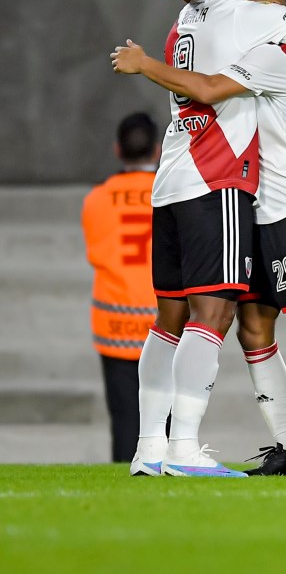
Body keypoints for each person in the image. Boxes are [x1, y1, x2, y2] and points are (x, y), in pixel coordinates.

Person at [112, 0, 286, 478]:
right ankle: (259, 446)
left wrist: (163, 34)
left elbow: (216, 76)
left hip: (280, 201)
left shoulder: (207, 23)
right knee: (241, 323)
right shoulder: (257, 27)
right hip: (232, 192)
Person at [81, 112, 161, 463]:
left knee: (126, 424)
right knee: (168, 426)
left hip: (115, 328)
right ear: (158, 151)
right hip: (167, 327)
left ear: (117, 149)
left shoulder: (97, 199)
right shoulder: (172, 195)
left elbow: (97, 252)